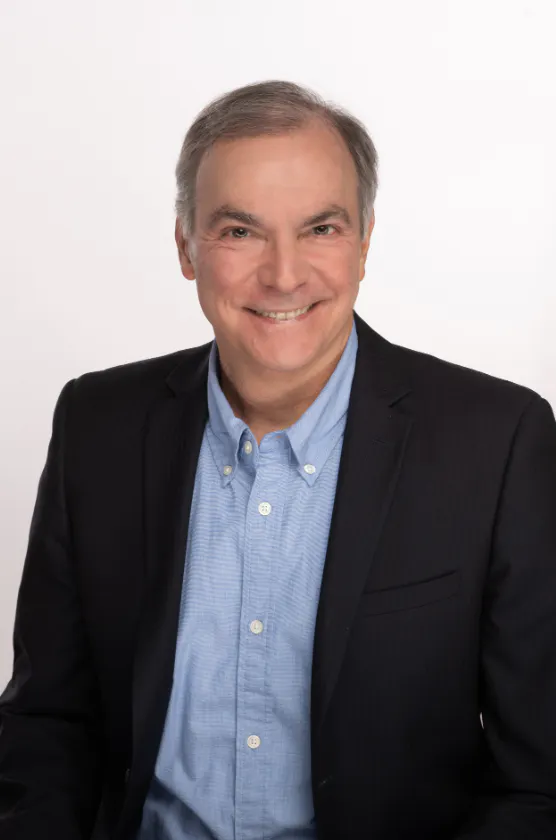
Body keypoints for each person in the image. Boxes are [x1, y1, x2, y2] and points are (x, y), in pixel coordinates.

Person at [0, 79, 555, 840]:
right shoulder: (98, 424)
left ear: (364, 241)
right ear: (186, 247)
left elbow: (540, 784)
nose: (285, 274)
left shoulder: (498, 442)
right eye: (240, 232)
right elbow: (44, 726)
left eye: (321, 228)